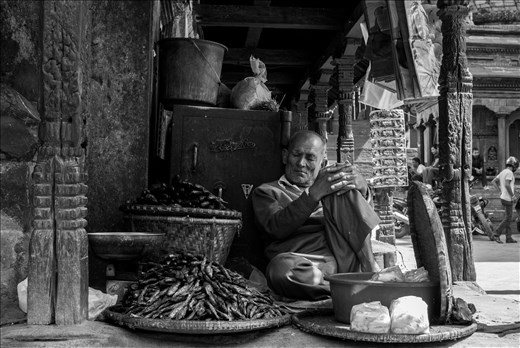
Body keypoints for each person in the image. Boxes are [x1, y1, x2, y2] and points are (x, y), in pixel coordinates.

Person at [252, 130, 381, 301]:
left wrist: (363, 189)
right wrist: (312, 195)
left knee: (341, 184)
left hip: (342, 259)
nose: (301, 163)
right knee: (279, 269)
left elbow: (359, 221)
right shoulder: (267, 192)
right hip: (300, 265)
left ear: (322, 161)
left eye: (310, 158)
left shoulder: (330, 188)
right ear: (285, 156)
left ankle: (370, 269)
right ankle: (344, 291)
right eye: (296, 155)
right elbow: (276, 228)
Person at [491, 156, 519, 244]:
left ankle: (508, 237)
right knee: (508, 218)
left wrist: (500, 191)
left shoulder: (503, 172)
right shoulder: (510, 173)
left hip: (503, 197)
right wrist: (513, 195)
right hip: (508, 198)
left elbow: (493, 181)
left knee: (508, 217)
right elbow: (507, 185)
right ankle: (496, 234)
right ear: (514, 165)